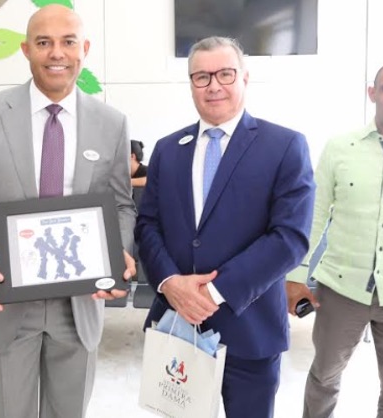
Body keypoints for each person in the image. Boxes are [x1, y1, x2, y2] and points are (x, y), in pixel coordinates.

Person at [0, 5, 136, 417]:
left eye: (68, 42)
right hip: (8, 300)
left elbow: (122, 204)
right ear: (26, 49)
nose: (56, 53)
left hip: (79, 303)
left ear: (85, 49)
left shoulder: (112, 123)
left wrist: (116, 252)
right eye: (44, 42)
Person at [135, 36, 314, 418]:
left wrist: (212, 292)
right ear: (191, 84)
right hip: (176, 327)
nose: (213, 85)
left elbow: (290, 238)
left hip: (250, 330)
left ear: (244, 77)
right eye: (201, 76)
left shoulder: (284, 145)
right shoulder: (168, 149)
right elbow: (148, 225)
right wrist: (171, 284)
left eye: (225, 74)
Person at [286, 60, 383, 418]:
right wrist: (296, 275)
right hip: (341, 291)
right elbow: (314, 215)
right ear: (372, 93)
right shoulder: (340, 148)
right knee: (324, 379)